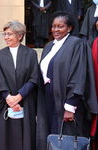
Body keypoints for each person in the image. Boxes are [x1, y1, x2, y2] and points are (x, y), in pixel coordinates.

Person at [36, 12, 98, 150]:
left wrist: (70, 105)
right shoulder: (49, 46)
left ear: (69, 28)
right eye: (53, 26)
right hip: (49, 98)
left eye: (60, 26)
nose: (56, 30)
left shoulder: (77, 44)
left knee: (67, 140)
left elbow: (79, 75)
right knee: (53, 138)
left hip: (67, 101)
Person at [0, 21, 38, 150]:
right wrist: (9, 97)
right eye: (5, 34)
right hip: (4, 103)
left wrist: (19, 96)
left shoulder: (31, 54)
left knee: (25, 138)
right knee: (4, 139)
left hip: (25, 101)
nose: (6, 37)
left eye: (9, 34)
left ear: (20, 36)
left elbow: (33, 78)